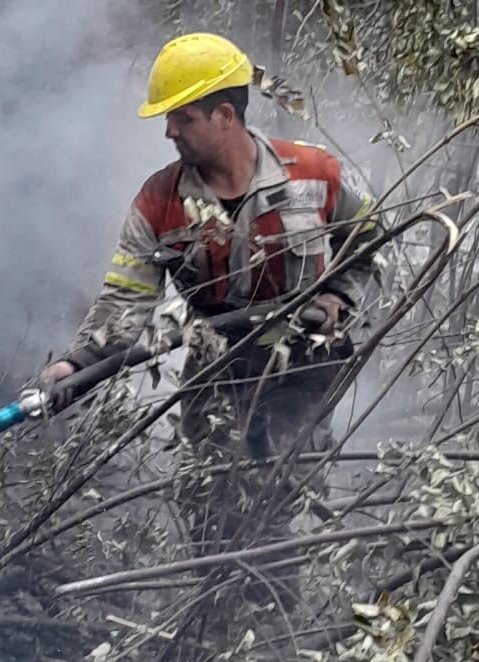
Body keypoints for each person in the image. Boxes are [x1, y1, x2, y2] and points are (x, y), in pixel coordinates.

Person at [39, 32, 380, 650]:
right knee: (211, 510)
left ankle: (275, 639)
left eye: (182, 117)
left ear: (225, 115)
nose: (169, 131)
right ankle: (213, 633)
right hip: (216, 374)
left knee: (278, 508)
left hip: (303, 375)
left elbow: (371, 245)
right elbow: (124, 304)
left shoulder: (314, 174)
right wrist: (74, 366)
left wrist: (339, 300)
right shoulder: (159, 201)